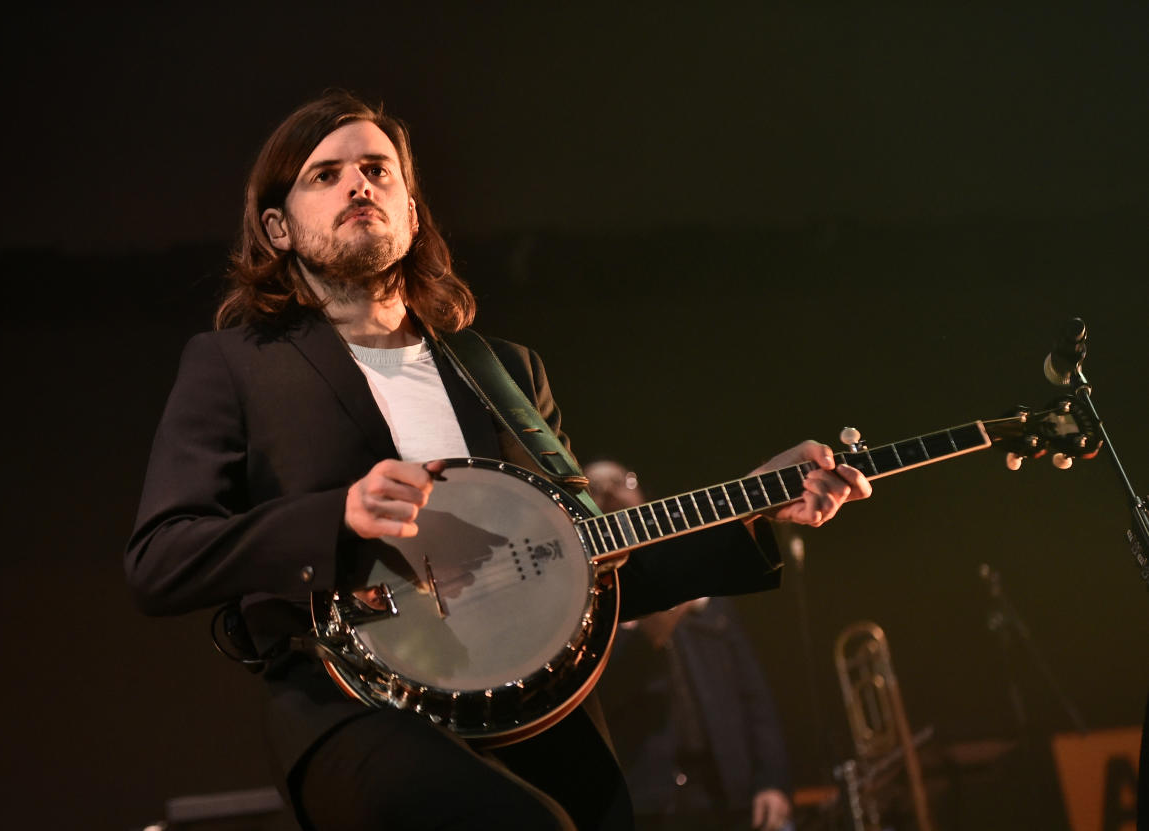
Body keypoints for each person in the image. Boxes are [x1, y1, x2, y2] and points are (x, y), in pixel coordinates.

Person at [124, 89, 871, 831]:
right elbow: (161, 558)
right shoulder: (235, 366)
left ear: (413, 213)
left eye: (380, 170)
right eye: (327, 174)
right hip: (351, 708)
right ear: (278, 228)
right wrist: (336, 518)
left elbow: (584, 566)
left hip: (534, 714)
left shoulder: (505, 373)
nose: (360, 184)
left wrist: (752, 500)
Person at [587, 460, 794, 831]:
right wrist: (640, 634)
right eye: (597, 488)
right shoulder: (583, 606)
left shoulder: (699, 587)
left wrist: (771, 782)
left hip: (726, 789)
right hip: (647, 798)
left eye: (623, 480)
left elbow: (753, 694)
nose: (613, 492)